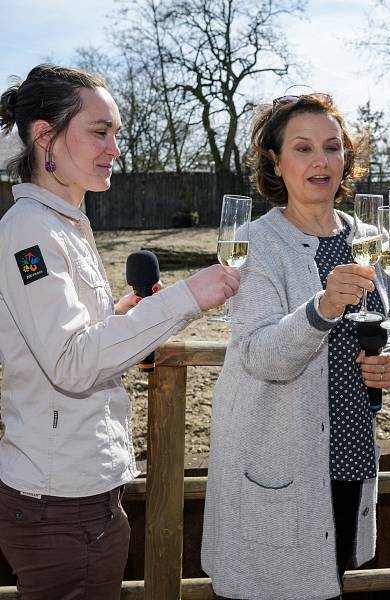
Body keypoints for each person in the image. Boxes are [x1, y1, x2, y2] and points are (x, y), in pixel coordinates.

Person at [0, 64, 240, 599]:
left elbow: (73, 337)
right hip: (60, 505)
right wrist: (189, 297)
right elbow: (71, 360)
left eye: (117, 134)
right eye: (100, 131)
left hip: (80, 497)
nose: (115, 148)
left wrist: (123, 316)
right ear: (46, 137)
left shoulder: (64, 223)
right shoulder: (30, 233)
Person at [201, 92, 390, 600]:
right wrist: (322, 309)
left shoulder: (369, 239)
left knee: (329, 583)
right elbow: (261, 356)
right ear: (275, 161)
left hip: (349, 456)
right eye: (303, 148)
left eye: (332, 147)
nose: (321, 160)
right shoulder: (255, 243)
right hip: (279, 466)